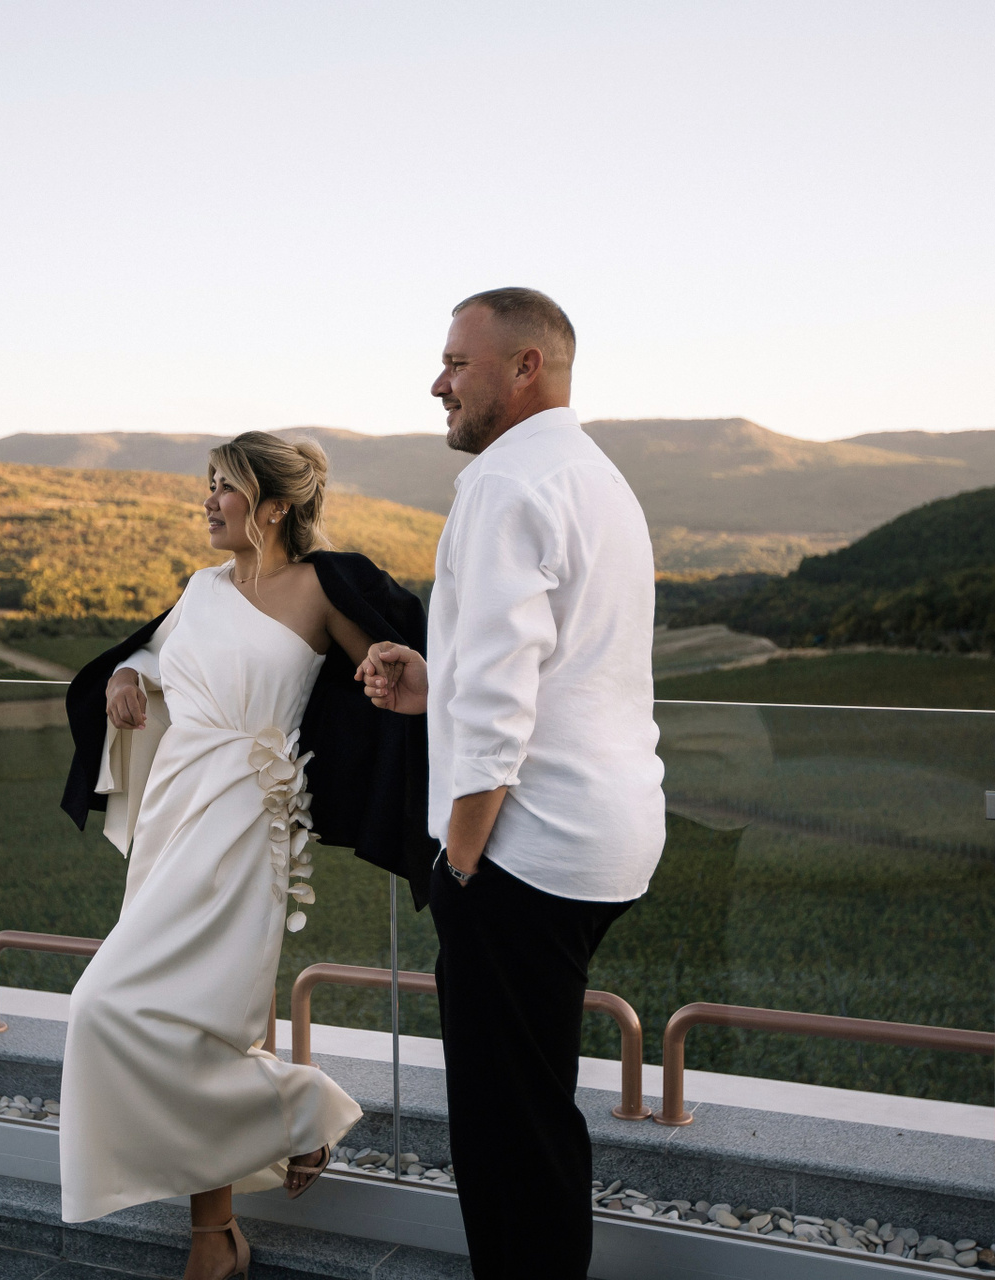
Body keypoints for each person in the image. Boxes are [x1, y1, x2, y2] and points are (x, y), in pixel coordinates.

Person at [56, 431, 434, 1280]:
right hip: (173, 813)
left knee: (122, 1009)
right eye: (209, 484)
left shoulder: (324, 586)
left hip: (247, 823)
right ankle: (224, 1222)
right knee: (171, 1019)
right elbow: (158, 653)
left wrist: (381, 668)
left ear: (274, 506)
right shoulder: (201, 588)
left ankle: (291, 1119)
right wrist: (128, 675)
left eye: (224, 486)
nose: (208, 501)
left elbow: (389, 667)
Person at [358, 288, 667, 1279]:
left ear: (526, 366)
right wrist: (434, 683)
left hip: (525, 854)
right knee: (533, 1109)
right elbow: (555, 663)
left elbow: (500, 709)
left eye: (459, 362)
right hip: (607, 835)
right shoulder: (595, 476)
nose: (438, 382)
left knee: (507, 1135)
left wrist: (458, 863)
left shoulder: (503, 483)